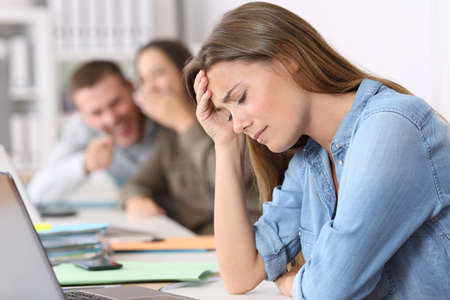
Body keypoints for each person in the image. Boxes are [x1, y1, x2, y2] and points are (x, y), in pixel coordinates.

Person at [184, 2, 450, 299]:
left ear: (289, 57)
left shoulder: (392, 126)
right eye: (229, 113)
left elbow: (328, 290)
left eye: (241, 98)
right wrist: (225, 144)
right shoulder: (311, 162)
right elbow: (239, 274)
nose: (238, 124)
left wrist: (292, 284)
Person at [119, 40, 261, 234]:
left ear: (185, 70)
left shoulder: (230, 115)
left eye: (158, 73)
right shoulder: (169, 136)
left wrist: (184, 122)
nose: (150, 88)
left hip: (250, 236)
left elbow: (227, 175)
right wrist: (135, 199)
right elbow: (137, 184)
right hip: (199, 242)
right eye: (143, 80)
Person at [28, 61, 161, 204]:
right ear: (82, 115)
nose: (111, 119)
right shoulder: (81, 128)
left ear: (131, 88)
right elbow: (37, 193)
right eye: (96, 112)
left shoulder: (162, 115)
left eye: (116, 103)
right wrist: (84, 163)